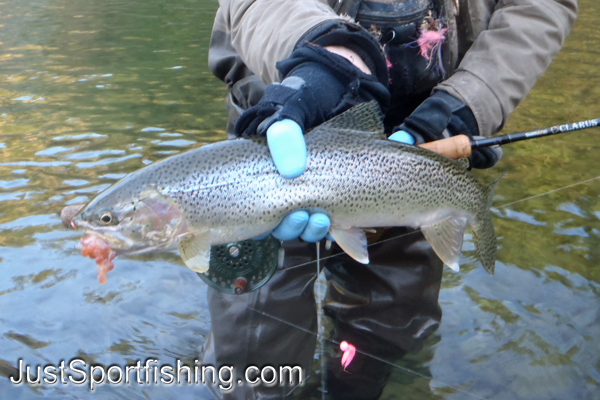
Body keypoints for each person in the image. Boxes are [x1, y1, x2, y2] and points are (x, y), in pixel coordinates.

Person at [201, 0, 577, 398]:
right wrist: (327, 53)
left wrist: (472, 100)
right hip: (280, 119)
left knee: (386, 339)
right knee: (252, 350)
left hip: (422, 127)